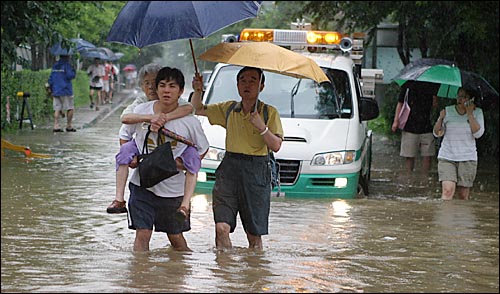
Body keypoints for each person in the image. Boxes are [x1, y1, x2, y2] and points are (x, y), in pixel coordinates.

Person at [190, 66, 283, 249]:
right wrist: (197, 90)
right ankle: (225, 273)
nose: (247, 85)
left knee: (253, 235)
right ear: (237, 85)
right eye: (243, 81)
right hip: (229, 170)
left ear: (261, 86)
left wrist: (261, 127)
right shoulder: (229, 108)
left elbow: (276, 146)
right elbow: (198, 109)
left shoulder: (268, 113)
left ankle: (253, 274)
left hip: (257, 172)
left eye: (252, 81)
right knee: (221, 227)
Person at [127, 66, 209, 251]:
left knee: (175, 237)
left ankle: (180, 273)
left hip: (173, 191)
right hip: (142, 185)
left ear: (180, 91)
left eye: (172, 86)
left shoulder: (189, 121)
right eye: (162, 85)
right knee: (143, 233)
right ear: (156, 89)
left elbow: (202, 149)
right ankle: (140, 275)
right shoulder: (141, 111)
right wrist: (130, 157)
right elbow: (125, 134)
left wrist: (183, 164)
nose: (166, 90)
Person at [107, 63, 195, 214]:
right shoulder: (140, 103)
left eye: (155, 82)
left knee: (193, 159)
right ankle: (119, 199)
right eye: (146, 83)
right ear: (141, 86)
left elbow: (189, 108)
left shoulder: (175, 102)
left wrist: (165, 117)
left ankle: (186, 204)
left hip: (171, 147)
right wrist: (151, 118)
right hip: (143, 143)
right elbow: (125, 121)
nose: (151, 87)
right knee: (124, 151)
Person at [433, 88, 485, 200]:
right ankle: (445, 217)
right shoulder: (447, 111)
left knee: (463, 195)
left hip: (468, 158)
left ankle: (460, 217)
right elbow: (437, 133)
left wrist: (470, 115)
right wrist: (441, 118)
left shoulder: (478, 112)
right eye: (459, 96)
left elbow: (478, 134)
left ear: (471, 99)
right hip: (447, 156)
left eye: (464, 97)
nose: (460, 99)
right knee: (447, 191)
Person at [391, 81, 440, 174]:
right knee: (410, 155)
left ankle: (421, 178)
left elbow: (435, 104)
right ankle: (411, 176)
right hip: (411, 126)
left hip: (425, 126)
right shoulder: (408, 85)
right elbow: (400, 103)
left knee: (427, 155)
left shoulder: (432, 84)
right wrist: (396, 121)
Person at [48, 55, 76, 132]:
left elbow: (51, 78)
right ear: (68, 57)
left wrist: (51, 87)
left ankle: (56, 126)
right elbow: (71, 76)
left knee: (57, 108)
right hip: (66, 90)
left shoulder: (55, 65)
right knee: (70, 108)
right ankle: (69, 125)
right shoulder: (67, 65)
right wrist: (74, 70)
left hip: (56, 90)